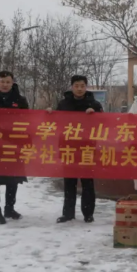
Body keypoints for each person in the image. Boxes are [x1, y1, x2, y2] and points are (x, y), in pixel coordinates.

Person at [51, 75, 103, 223]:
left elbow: (103, 123)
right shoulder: (63, 104)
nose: (79, 89)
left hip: (87, 147)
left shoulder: (94, 104)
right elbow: (56, 122)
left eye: (82, 86)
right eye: (76, 86)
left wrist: (95, 114)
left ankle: (88, 213)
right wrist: (49, 114)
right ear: (72, 87)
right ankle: (68, 213)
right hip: (68, 147)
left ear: (86, 87)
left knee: (87, 182)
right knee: (69, 182)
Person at [0, 71, 30, 224]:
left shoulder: (20, 100)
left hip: (13, 144)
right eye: (2, 81)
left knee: (12, 179)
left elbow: (29, 120)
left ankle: (9, 208)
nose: (5, 84)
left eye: (8, 82)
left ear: (12, 83)